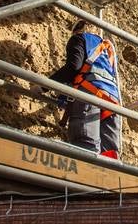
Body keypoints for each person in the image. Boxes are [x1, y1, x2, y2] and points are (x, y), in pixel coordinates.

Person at [48, 20, 122, 159]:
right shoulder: (106, 48)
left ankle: (85, 177)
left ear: (78, 29)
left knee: (85, 145)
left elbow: (73, 66)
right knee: (109, 153)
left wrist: (43, 86)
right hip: (112, 101)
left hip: (91, 94)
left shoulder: (80, 38)